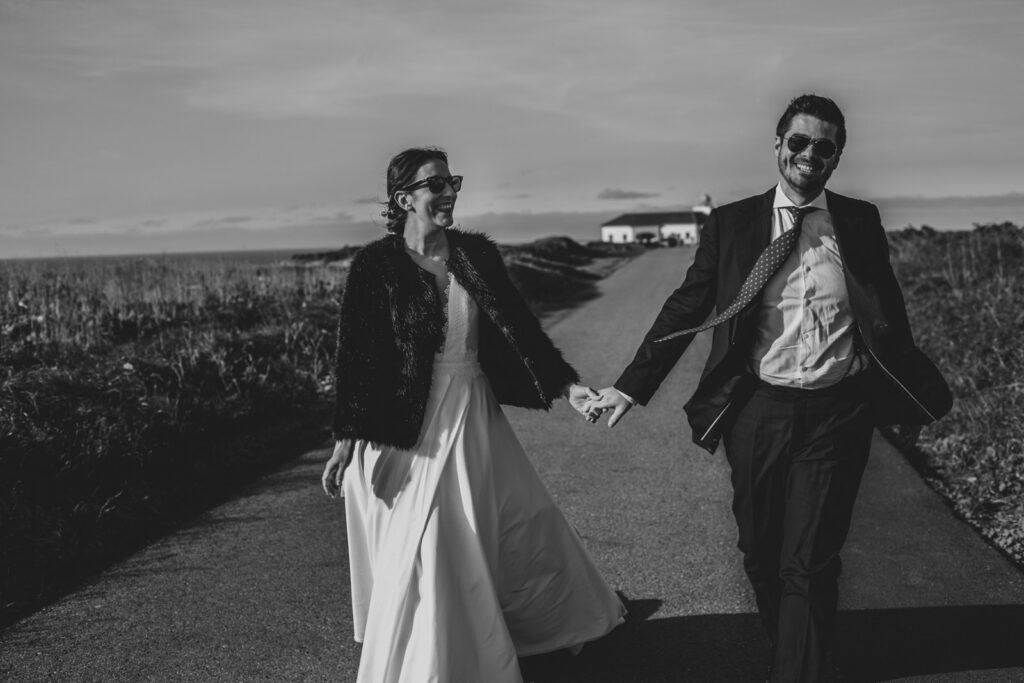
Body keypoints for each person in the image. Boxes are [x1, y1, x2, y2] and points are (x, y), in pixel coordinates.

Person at [586, 95, 951, 682]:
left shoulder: (859, 221)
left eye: (824, 147)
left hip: (837, 412)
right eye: (799, 142)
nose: (810, 154)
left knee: (809, 561)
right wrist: (629, 387)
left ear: (837, 158)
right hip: (757, 409)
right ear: (778, 145)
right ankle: (802, 650)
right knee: (762, 552)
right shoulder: (731, 223)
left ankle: (797, 669)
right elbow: (687, 305)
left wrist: (902, 385)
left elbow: (886, 311)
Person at [322, 147, 625, 683]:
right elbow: (358, 357)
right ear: (404, 199)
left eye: (452, 182)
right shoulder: (375, 266)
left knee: (518, 521)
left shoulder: (476, 255)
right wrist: (347, 438)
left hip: (472, 411)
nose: (449, 193)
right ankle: (440, 662)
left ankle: (536, 626)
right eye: (436, 185)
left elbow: (520, 328)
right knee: (435, 538)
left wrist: (567, 386)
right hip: (407, 425)